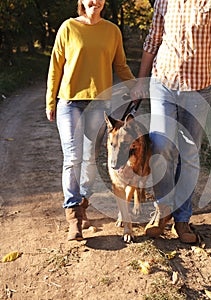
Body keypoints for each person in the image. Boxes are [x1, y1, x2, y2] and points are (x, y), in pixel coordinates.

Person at [131, 0, 211, 243]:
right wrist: (141, 81)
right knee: (161, 146)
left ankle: (182, 218)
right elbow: (153, 39)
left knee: (189, 154)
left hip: (198, 88)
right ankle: (163, 211)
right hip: (163, 82)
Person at [46, 0, 135, 241]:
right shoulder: (68, 28)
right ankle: (73, 215)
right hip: (69, 102)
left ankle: (83, 202)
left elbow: (120, 65)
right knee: (73, 157)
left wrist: (134, 86)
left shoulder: (112, 31)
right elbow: (56, 66)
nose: (94, 1)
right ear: (81, 2)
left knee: (90, 160)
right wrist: (50, 101)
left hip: (99, 104)